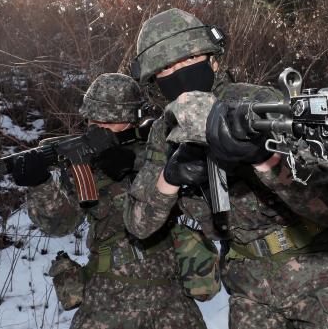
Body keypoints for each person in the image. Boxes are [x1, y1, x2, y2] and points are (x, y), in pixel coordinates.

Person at [124, 8, 328, 329]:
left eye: (189, 61)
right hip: (245, 285)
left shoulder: (257, 103)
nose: (178, 73)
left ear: (213, 60)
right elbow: (138, 225)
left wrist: (262, 156)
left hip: (317, 276)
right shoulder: (164, 132)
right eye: (166, 69)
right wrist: (169, 177)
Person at [13, 73, 206, 329]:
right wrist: (39, 184)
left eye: (108, 120)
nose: (97, 127)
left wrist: (137, 167)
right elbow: (61, 224)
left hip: (170, 295)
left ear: (132, 120)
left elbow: (197, 200)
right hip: (107, 296)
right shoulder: (83, 161)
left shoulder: (161, 147)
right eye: (93, 118)